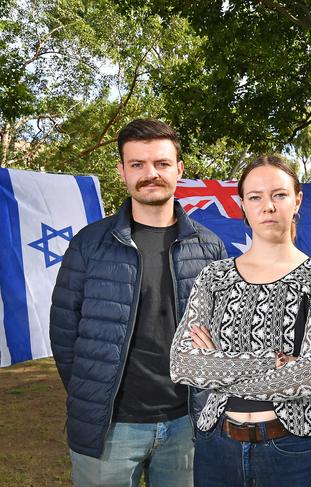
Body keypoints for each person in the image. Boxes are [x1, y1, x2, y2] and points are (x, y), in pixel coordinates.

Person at [49, 119, 227, 486]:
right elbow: (64, 333)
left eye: (161, 164)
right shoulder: (89, 244)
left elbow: (222, 334)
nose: (151, 174)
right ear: (122, 171)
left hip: (186, 426)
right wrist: (94, 393)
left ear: (179, 169)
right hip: (109, 428)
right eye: (137, 164)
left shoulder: (210, 247)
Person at [170, 154, 311, 487]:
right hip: (216, 444)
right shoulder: (214, 277)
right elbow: (183, 364)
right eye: (255, 197)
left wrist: (217, 368)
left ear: (297, 201)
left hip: (292, 447)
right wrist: (270, 361)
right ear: (242, 206)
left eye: (279, 194)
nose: (268, 206)